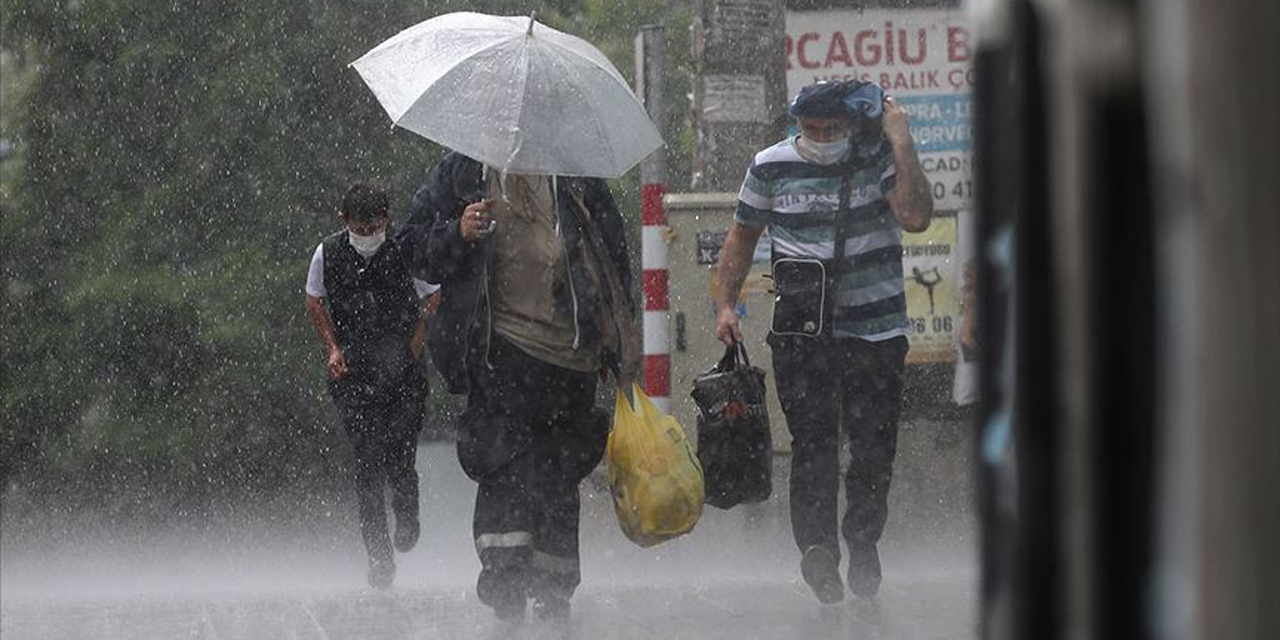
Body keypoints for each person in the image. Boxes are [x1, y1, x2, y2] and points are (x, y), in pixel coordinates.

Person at [714, 80, 933, 603]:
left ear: (852, 125)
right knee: (813, 444)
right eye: (809, 129)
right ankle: (818, 549)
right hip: (801, 335)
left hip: (876, 332)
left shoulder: (878, 157)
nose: (819, 137)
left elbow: (915, 216)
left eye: (830, 130)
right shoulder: (770, 166)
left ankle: (862, 538)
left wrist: (901, 141)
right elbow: (740, 239)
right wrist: (725, 304)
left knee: (872, 447)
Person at [401, 152, 640, 622]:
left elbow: (611, 259)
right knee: (502, 463)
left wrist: (616, 344)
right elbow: (413, 249)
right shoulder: (464, 172)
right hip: (497, 348)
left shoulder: (577, 174)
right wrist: (457, 232)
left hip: (570, 355)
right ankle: (505, 581)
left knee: (557, 471)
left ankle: (554, 588)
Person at [304, 182, 440, 589]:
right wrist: (331, 348)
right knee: (366, 464)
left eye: (375, 228)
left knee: (400, 454)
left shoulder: (403, 250)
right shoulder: (327, 253)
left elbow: (434, 295)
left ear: (386, 220)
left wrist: (419, 333)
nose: (368, 236)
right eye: (360, 229)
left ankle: (407, 509)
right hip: (354, 374)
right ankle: (379, 557)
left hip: (402, 371)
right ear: (344, 221)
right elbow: (314, 300)